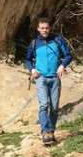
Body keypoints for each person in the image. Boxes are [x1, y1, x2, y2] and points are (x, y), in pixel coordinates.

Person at [24, 17, 72, 146]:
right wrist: (32, 70)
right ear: (38, 29)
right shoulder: (34, 44)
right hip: (41, 78)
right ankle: (45, 132)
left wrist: (62, 66)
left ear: (50, 28)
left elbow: (68, 55)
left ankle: (51, 131)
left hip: (55, 77)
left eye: (47, 28)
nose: (45, 30)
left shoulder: (57, 40)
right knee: (44, 105)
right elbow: (28, 60)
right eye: (42, 28)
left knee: (55, 107)